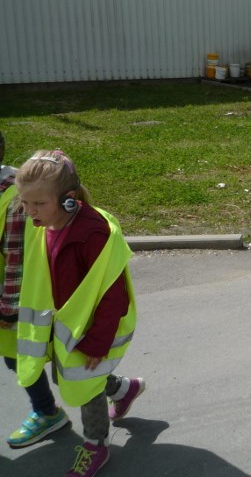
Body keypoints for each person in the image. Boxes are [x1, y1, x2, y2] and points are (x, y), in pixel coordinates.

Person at [14, 150, 145, 477]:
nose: (30, 212)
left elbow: (113, 295)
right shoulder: (44, 223)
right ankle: (124, 388)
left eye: (38, 204)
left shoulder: (92, 233)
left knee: (84, 386)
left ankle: (96, 446)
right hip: (69, 326)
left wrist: (98, 343)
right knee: (75, 376)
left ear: (69, 199)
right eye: (24, 202)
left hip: (92, 330)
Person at [1, 133, 70, 450]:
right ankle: (117, 389)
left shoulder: (16, 199)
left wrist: (8, 309)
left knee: (38, 357)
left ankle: (47, 413)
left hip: (19, 298)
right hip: (14, 297)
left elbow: (16, 258)